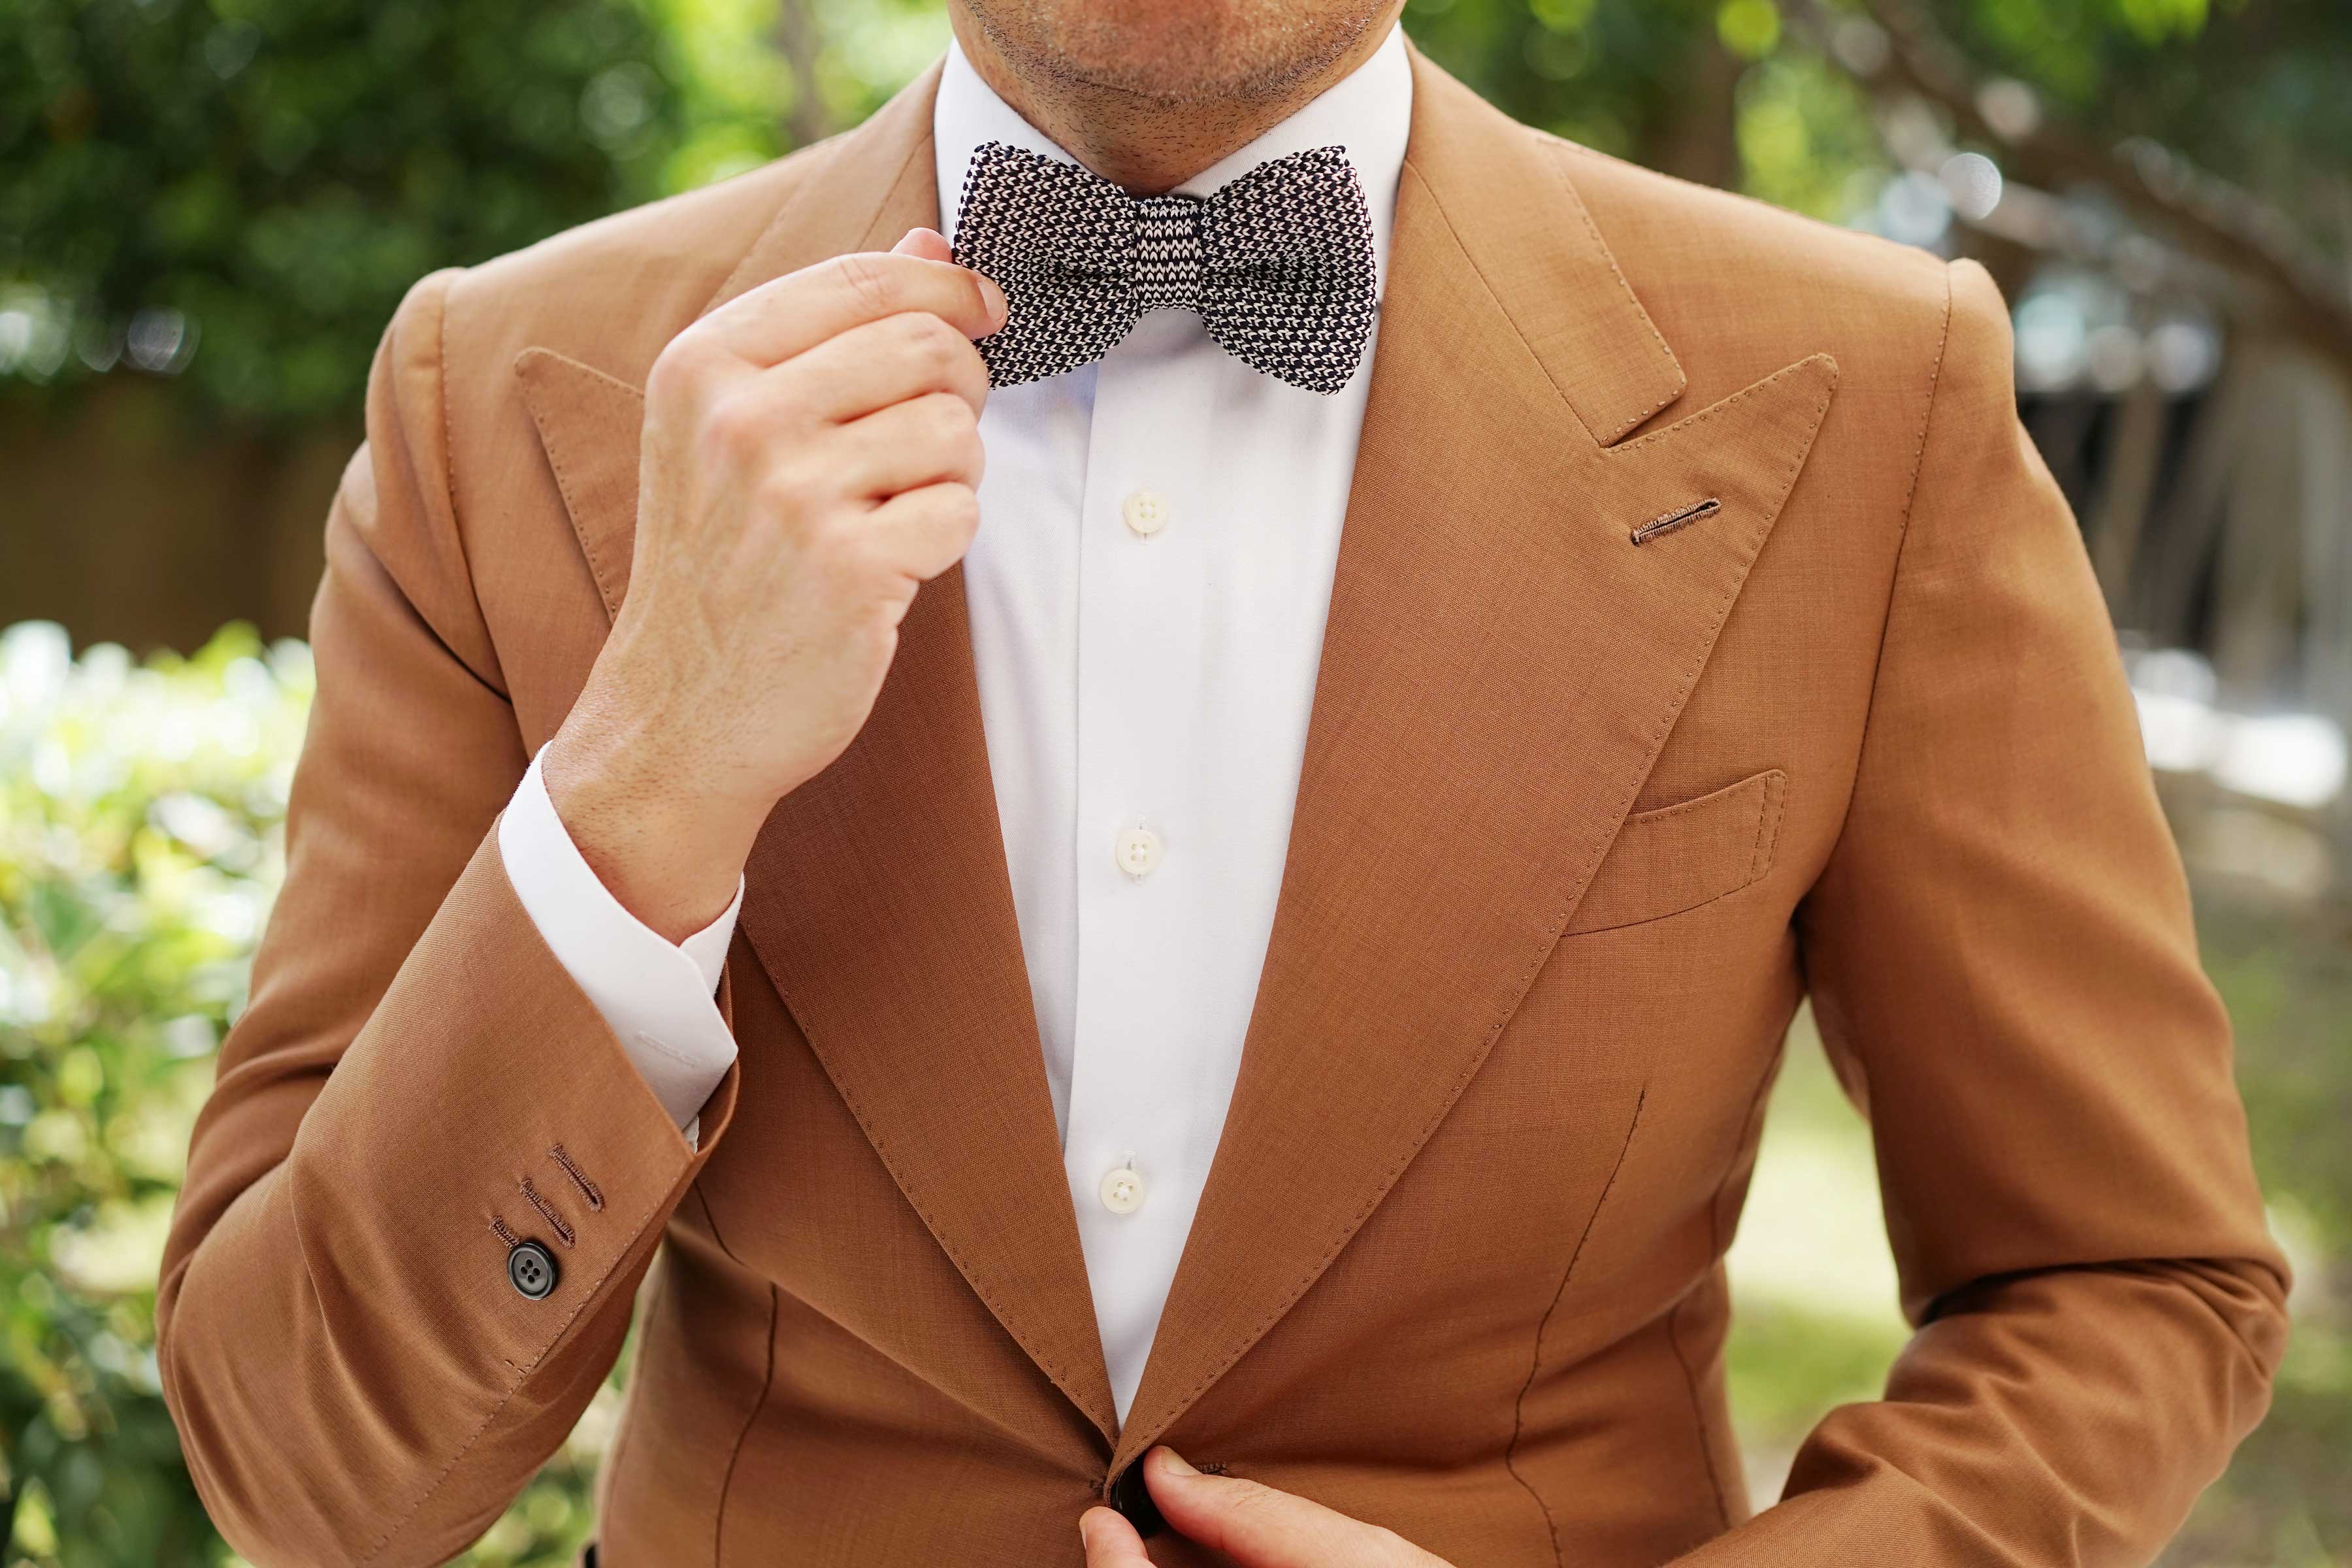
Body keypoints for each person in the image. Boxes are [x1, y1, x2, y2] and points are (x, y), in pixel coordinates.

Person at [156, 1, 2289, 1563]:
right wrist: (654, 764)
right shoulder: (500, 396)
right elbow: (305, 1470)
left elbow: (2131, 1286)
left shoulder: (1872, 392)